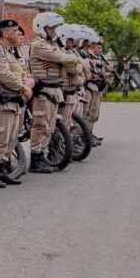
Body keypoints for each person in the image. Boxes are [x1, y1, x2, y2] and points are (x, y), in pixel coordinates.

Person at [0, 19, 34, 188]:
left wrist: (27, 82)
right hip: (4, 102)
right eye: (15, 31)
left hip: (17, 103)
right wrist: (23, 88)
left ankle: (2, 170)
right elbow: (5, 76)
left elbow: (21, 72)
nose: (18, 33)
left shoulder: (13, 52)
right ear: (5, 33)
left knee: (10, 140)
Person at [27, 12, 81, 174]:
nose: (54, 31)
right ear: (42, 28)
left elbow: (69, 62)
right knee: (40, 125)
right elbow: (63, 58)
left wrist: (65, 60)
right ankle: (35, 159)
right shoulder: (38, 45)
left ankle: (42, 155)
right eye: (51, 28)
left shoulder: (52, 44)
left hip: (54, 88)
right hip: (44, 90)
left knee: (49, 127)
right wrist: (64, 60)